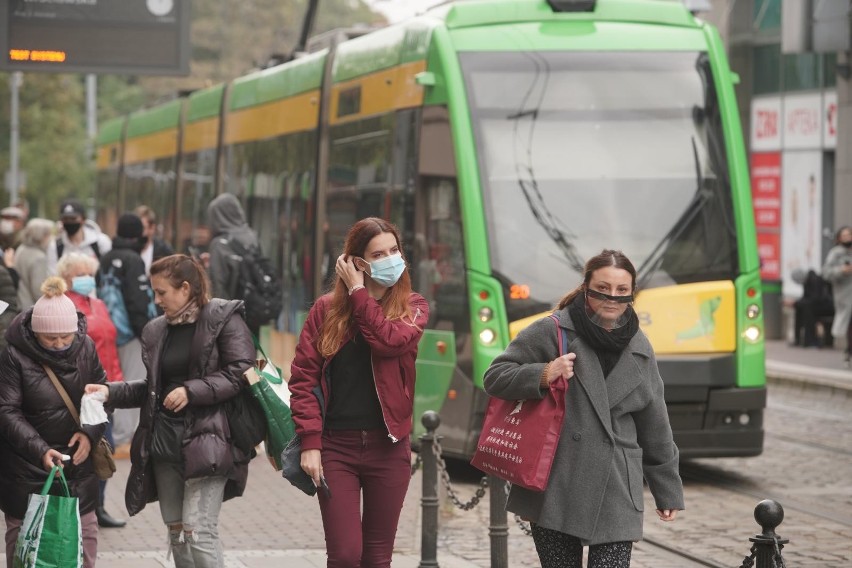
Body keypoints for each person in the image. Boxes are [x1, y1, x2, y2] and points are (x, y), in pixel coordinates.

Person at [483, 249, 684, 568]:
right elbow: (495, 377)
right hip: (556, 482)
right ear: (587, 287)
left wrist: (667, 489)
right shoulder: (553, 331)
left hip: (617, 486)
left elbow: (654, 423)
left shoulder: (640, 347)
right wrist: (544, 373)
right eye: (603, 288)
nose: (613, 298)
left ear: (632, 293)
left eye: (622, 290)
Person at [85, 254, 255, 567]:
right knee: (176, 531)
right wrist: (110, 391)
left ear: (186, 288)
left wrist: (192, 391)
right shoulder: (157, 330)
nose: (156, 299)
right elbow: (152, 388)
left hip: (210, 438)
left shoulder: (224, 318)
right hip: (165, 442)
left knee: (198, 531)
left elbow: (241, 372)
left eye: (161, 292)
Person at [289, 217, 429, 568]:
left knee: (378, 558)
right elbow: (303, 378)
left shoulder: (413, 306)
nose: (390, 259)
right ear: (355, 263)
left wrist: (358, 293)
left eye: (394, 250)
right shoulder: (326, 310)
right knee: (346, 555)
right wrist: (310, 442)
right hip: (337, 447)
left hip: (389, 448)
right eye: (378, 254)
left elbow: (387, 341)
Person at [0, 276, 108, 568]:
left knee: (84, 535)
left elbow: (100, 393)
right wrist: (40, 450)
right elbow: (6, 410)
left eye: (66, 336)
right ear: (36, 333)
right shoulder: (13, 354)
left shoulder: (85, 346)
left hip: (77, 464)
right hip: (26, 464)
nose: (60, 343)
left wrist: (90, 434)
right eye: (51, 338)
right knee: (25, 541)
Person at [58, 252, 127, 529]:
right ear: (66, 276)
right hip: (84, 389)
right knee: (86, 448)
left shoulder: (98, 304)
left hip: (107, 386)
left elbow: (111, 342)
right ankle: (85, 506)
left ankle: (98, 506)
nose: (87, 278)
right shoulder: (64, 306)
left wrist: (117, 383)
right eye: (80, 273)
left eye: (90, 272)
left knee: (104, 448)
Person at [97, 213, 157, 447]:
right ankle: (124, 437)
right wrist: (147, 331)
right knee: (132, 382)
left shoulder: (106, 258)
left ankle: (115, 433)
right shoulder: (133, 259)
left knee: (114, 381)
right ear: (136, 234)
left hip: (108, 331)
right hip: (131, 333)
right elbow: (138, 300)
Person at [206, 193, 259, 300]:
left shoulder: (219, 244)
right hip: (253, 305)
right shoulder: (252, 236)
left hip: (231, 309)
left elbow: (217, 284)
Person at [47, 199, 112, 275]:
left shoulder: (101, 242)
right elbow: (52, 276)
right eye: (65, 219)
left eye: (73, 219)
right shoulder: (55, 246)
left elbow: (109, 272)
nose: (69, 222)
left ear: (83, 219)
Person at [822, 226, 852, 364]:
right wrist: (842, 270)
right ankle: (849, 351)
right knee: (849, 324)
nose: (847, 238)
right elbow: (826, 273)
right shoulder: (836, 253)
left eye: (849, 234)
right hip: (845, 296)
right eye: (844, 235)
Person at [15, 218, 54, 310]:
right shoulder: (39, 257)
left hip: (18, 303)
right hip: (30, 308)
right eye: (48, 234)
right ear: (41, 236)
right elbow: (39, 291)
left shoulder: (21, 248)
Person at [791, 268, 834, 348]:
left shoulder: (815, 280)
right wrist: (796, 303)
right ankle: (798, 339)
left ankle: (811, 340)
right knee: (799, 308)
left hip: (827, 306)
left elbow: (815, 299)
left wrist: (797, 303)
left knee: (807, 310)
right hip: (817, 306)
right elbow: (807, 298)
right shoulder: (807, 281)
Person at [135, 205, 175, 275]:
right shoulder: (129, 250)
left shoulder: (164, 251)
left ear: (152, 228)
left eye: (142, 228)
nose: (138, 232)